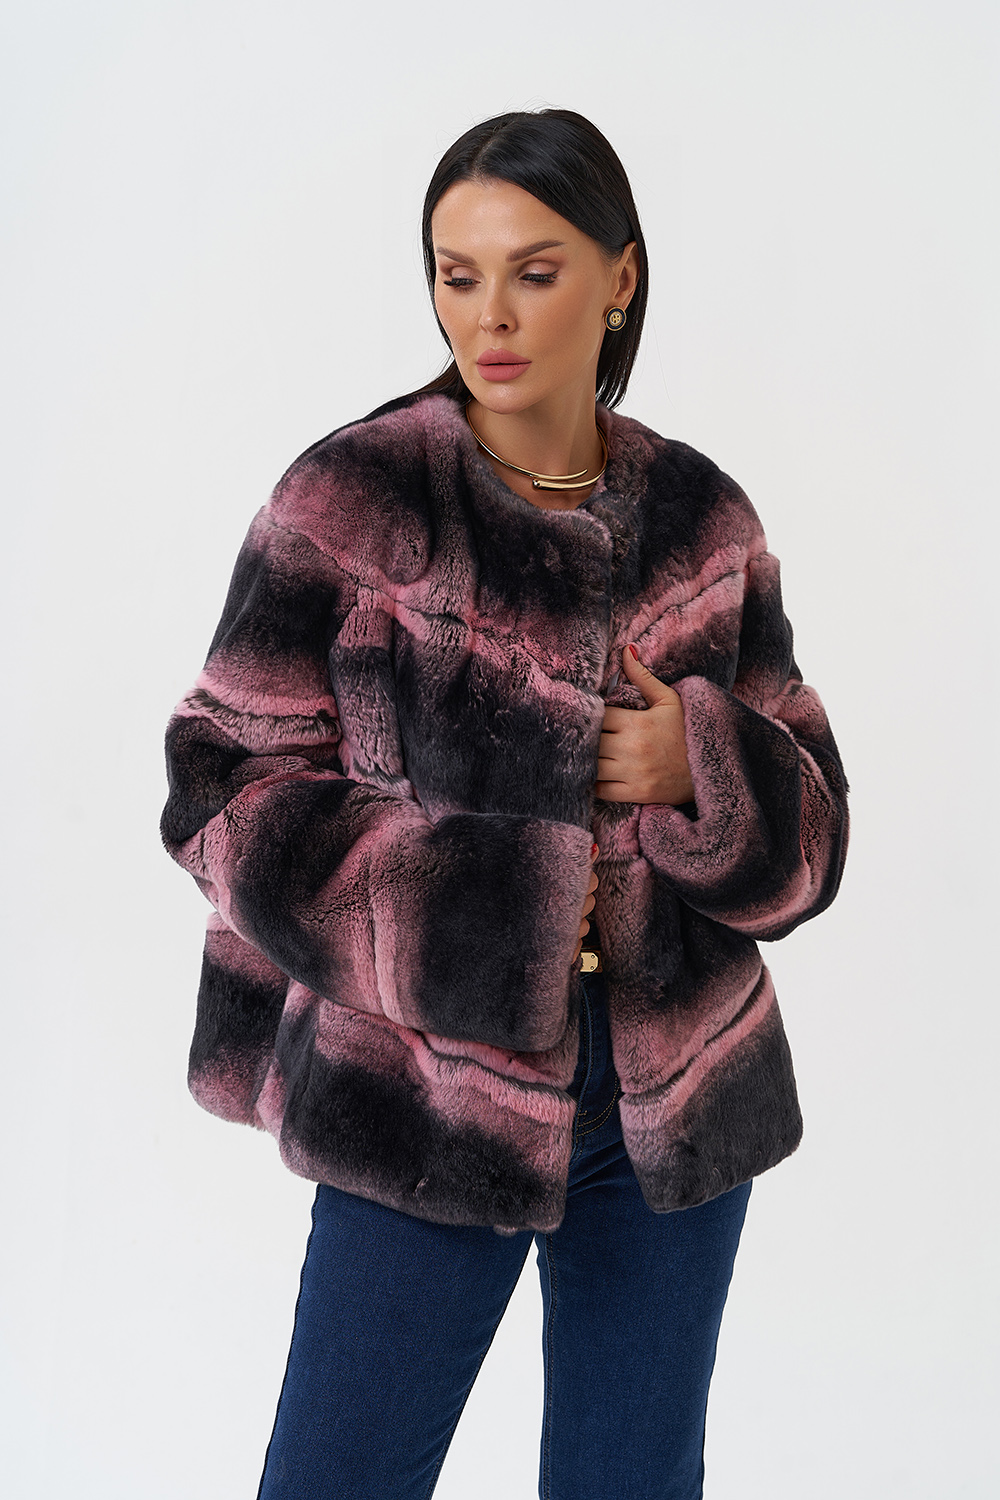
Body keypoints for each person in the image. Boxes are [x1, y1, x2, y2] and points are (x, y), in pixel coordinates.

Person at [160, 108, 850, 1500]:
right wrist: (484, 914)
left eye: (535, 271)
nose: (490, 315)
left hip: (669, 1096)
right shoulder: (354, 499)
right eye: (457, 274)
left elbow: (817, 838)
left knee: (633, 1481)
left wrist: (700, 767)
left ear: (620, 277)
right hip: (422, 1090)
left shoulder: (705, 521)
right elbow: (219, 784)